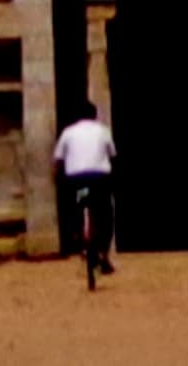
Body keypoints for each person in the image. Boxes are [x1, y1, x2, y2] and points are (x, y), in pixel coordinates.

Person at [53, 104, 118, 286]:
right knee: (106, 213)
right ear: (95, 115)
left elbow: (58, 160)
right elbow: (112, 155)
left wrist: (58, 179)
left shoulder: (68, 132)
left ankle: (76, 235)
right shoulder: (103, 131)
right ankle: (104, 254)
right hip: (99, 178)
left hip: (76, 179)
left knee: (72, 206)